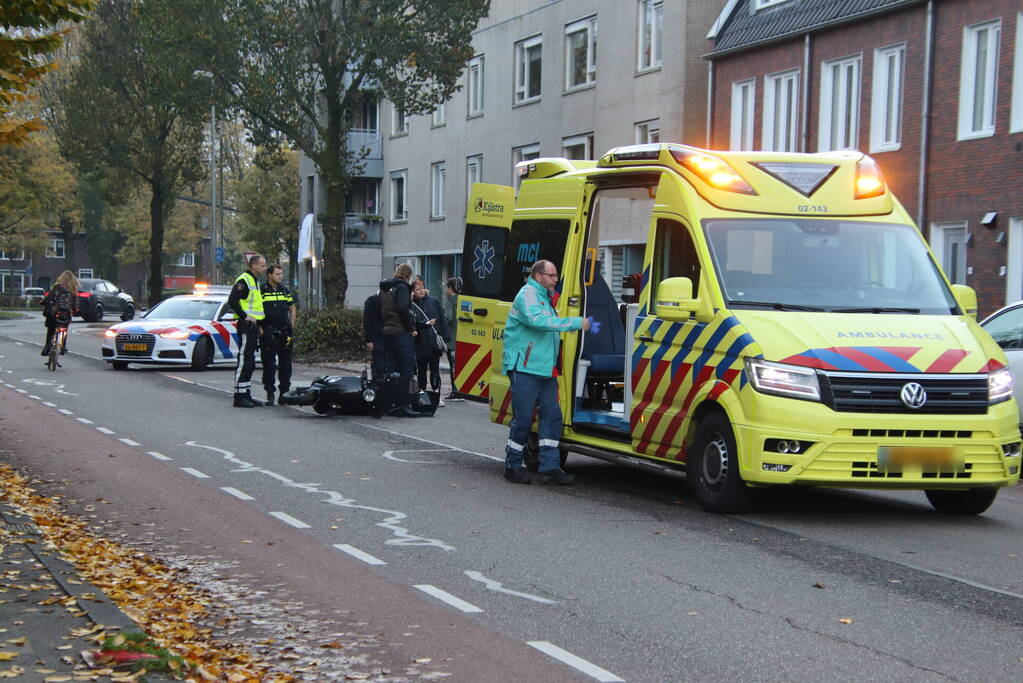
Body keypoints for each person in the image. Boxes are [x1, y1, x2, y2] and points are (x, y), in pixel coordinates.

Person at [502, 260, 597, 485]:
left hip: (543, 368)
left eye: (555, 275)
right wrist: (576, 322)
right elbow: (540, 322)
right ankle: (512, 466)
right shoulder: (528, 295)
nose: (556, 279)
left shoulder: (544, 296)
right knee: (523, 419)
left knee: (552, 416)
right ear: (538, 276)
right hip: (525, 367)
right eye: (552, 275)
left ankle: (550, 466)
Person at [378, 263, 420, 417]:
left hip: (387, 332)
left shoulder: (384, 288)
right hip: (401, 332)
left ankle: (389, 403)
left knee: (392, 369)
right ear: (407, 275)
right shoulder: (402, 287)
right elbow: (403, 309)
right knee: (406, 369)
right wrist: (411, 328)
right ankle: (403, 404)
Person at [228, 254, 267, 407]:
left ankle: (246, 394)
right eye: (262, 266)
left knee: (250, 360)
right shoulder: (244, 280)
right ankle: (239, 396)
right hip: (247, 325)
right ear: (254, 266)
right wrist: (245, 316)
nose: (265, 268)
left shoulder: (254, 280)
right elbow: (232, 300)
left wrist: (259, 325)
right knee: (244, 359)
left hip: (254, 326)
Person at [259, 264, 297, 405]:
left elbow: (292, 309)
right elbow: (256, 310)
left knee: (286, 365)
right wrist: (260, 329)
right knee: (269, 364)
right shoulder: (262, 291)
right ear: (269, 275)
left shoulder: (285, 291)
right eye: (277, 274)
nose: (280, 276)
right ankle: (270, 392)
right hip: (268, 331)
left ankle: (284, 393)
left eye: (281, 274)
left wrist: (291, 327)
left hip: (284, 331)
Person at [411, 279, 451, 406]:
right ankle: (422, 393)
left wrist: (445, 336)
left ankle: (435, 394)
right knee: (421, 370)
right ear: (412, 291)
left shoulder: (433, 301)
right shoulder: (411, 305)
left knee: (435, 369)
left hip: (433, 342)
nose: (421, 291)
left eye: (422, 288)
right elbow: (410, 323)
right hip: (420, 343)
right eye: (417, 289)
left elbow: (442, 319)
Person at [41, 270, 79, 357]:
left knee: (51, 329)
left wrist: (43, 302)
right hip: (66, 313)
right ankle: (62, 347)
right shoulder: (73, 289)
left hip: (55, 312)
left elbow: (48, 297)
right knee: (64, 328)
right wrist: (75, 309)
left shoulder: (57, 287)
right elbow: (76, 304)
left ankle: (47, 347)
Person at [444, 277, 464, 401]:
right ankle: (461, 389)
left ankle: (455, 391)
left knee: (453, 367)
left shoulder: (450, 300)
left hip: (451, 340)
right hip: (461, 338)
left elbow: (449, 318)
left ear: (450, 288)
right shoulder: (462, 300)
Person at [363, 289, 387, 378]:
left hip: (387, 337)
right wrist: (369, 340)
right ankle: (377, 382)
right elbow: (367, 321)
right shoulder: (371, 301)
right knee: (379, 364)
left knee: (385, 364)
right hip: (376, 338)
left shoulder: (388, 301)